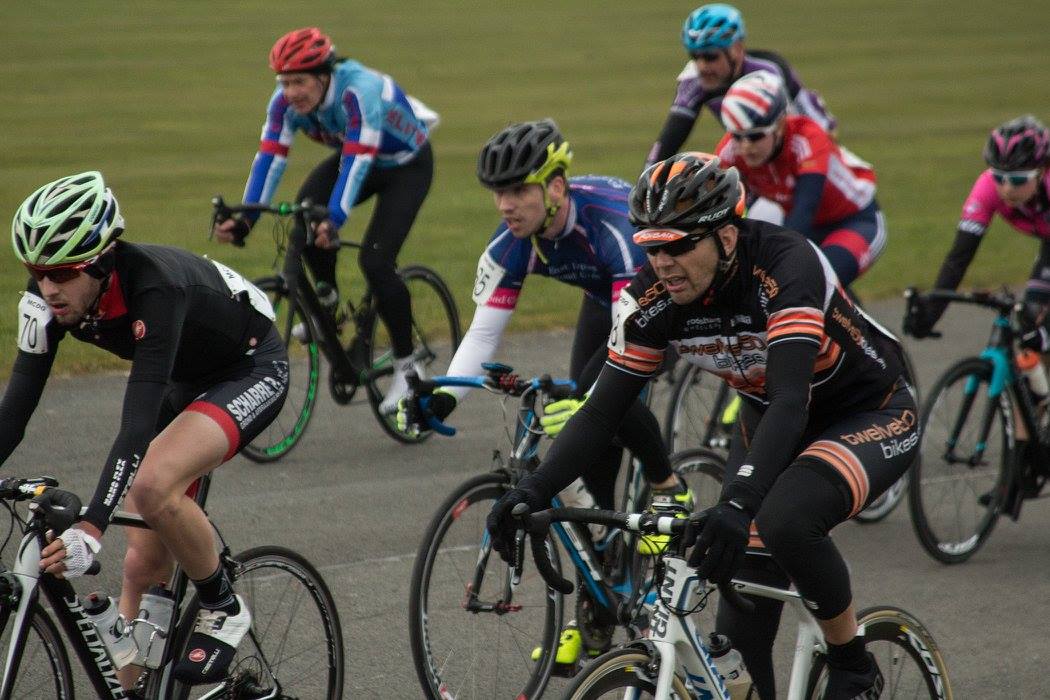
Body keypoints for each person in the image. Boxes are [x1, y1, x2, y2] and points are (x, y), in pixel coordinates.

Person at [487, 153, 915, 699]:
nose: (663, 262)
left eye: (680, 244)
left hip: (867, 411)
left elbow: (790, 398)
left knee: (783, 522)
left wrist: (738, 503)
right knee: (737, 637)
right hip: (772, 421)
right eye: (651, 246)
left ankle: (852, 662)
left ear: (727, 236)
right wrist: (534, 489)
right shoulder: (653, 296)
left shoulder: (786, 265)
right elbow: (601, 412)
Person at [400, 119, 686, 665]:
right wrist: (442, 397)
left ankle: (668, 483)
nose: (505, 204)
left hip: (657, 300)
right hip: (604, 298)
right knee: (588, 471)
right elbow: (484, 331)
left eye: (517, 191)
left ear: (555, 187)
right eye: (498, 193)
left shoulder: (611, 229)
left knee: (608, 408)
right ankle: (600, 609)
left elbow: (631, 344)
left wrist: (592, 400)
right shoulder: (514, 242)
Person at [2, 171, 289, 687]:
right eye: (37, 272)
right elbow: (14, 413)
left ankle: (222, 604)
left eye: (63, 273)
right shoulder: (46, 299)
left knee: (153, 483)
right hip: (182, 373)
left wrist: (91, 526)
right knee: (141, 565)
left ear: (101, 261)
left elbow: (135, 423)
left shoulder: (155, 287)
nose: (49, 289)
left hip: (248, 367)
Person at [212, 27, 437, 413]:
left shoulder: (358, 91)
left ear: (324, 75)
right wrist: (246, 219)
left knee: (376, 261)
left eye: (299, 81)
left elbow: (357, 161)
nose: (291, 92)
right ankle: (328, 310)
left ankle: (408, 366)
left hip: (405, 167)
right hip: (360, 156)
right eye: (284, 82)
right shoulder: (284, 103)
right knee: (304, 217)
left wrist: (335, 219)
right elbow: (270, 157)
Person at [715, 70, 885, 287]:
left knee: (814, 282)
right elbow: (723, 213)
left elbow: (805, 208)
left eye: (756, 136)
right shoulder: (730, 152)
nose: (746, 146)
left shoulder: (807, 137)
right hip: (803, 224)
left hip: (855, 222)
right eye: (737, 137)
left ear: (779, 125)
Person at [907, 115, 1050, 345]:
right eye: (999, 177)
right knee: (1032, 325)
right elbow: (959, 257)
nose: (1006, 188)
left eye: (1018, 179)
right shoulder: (986, 189)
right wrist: (931, 313)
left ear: (1042, 170)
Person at [645, 3, 836, 169]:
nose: (702, 66)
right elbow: (669, 140)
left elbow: (795, 139)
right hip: (757, 159)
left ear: (736, 49)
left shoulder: (767, 73)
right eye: (695, 57)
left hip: (813, 153)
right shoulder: (694, 79)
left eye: (711, 57)